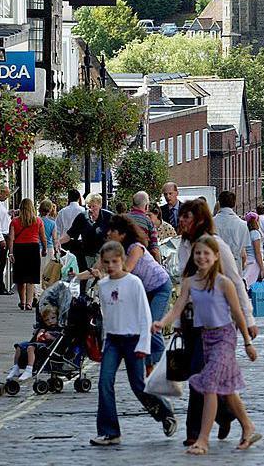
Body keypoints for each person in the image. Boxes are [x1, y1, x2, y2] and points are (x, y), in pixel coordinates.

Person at [154, 235, 261, 454]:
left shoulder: (224, 282)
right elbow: (178, 308)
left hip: (225, 338)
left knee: (210, 385)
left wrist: (248, 343)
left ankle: (202, 439)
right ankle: (248, 427)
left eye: (206, 253)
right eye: (198, 253)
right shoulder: (190, 282)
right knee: (228, 390)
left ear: (215, 257)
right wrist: (162, 322)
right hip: (206, 339)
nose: (201, 257)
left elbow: (237, 313)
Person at [174, 199, 257, 447]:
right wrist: (176, 321)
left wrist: (249, 318)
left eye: (186, 217)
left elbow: (236, 281)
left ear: (198, 220)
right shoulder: (184, 245)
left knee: (201, 374)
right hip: (192, 320)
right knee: (200, 375)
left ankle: (196, 432)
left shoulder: (216, 245)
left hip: (216, 325)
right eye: (181, 217)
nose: (181, 221)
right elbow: (184, 285)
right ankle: (224, 414)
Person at [88, 241, 176, 446]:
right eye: (107, 262)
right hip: (112, 340)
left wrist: (144, 345)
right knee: (104, 383)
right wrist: (103, 344)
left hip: (133, 339)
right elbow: (107, 316)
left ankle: (165, 413)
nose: (111, 266)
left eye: (115, 261)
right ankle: (110, 432)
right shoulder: (102, 285)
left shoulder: (134, 283)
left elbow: (145, 315)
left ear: (122, 261)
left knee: (137, 385)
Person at [79, 215, 172, 368]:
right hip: (145, 289)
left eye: (112, 231)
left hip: (160, 287)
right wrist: (76, 277)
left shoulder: (135, 248)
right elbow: (96, 268)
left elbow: (125, 270)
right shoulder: (115, 251)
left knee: (152, 326)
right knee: (143, 326)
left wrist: (103, 276)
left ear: (122, 234)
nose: (108, 233)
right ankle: (150, 365)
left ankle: (160, 365)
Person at [5, 305, 60, 382]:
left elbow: (59, 339)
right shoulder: (44, 327)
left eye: (53, 318)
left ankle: (29, 369)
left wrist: (50, 337)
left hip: (49, 346)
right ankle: (16, 367)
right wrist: (38, 332)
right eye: (47, 320)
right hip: (39, 344)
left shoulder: (59, 328)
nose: (50, 321)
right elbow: (36, 338)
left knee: (31, 347)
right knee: (19, 346)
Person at [59, 193, 114, 270]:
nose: (91, 209)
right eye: (89, 206)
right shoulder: (82, 217)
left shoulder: (109, 217)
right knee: (88, 277)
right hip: (87, 254)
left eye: (94, 206)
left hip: (104, 255)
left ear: (100, 205)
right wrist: (57, 242)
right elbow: (70, 234)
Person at [10, 198, 46, 311]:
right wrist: (44, 249)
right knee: (30, 278)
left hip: (19, 249)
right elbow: (43, 237)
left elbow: (11, 238)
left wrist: (11, 253)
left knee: (20, 278)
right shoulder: (38, 221)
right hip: (33, 249)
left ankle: (23, 301)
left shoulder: (15, 221)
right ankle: (30, 303)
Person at [213, 191, 249, 276]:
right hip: (235, 266)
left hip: (215, 267)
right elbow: (243, 253)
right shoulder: (242, 224)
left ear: (219, 202)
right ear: (234, 203)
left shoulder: (210, 223)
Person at [127, 191, 161, 261]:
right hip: (142, 261)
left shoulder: (123, 219)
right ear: (146, 206)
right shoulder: (149, 222)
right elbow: (154, 250)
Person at [242, 212, 264, 288]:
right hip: (255, 263)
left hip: (248, 262)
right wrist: (262, 269)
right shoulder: (255, 233)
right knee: (251, 285)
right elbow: (257, 253)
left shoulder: (246, 233)